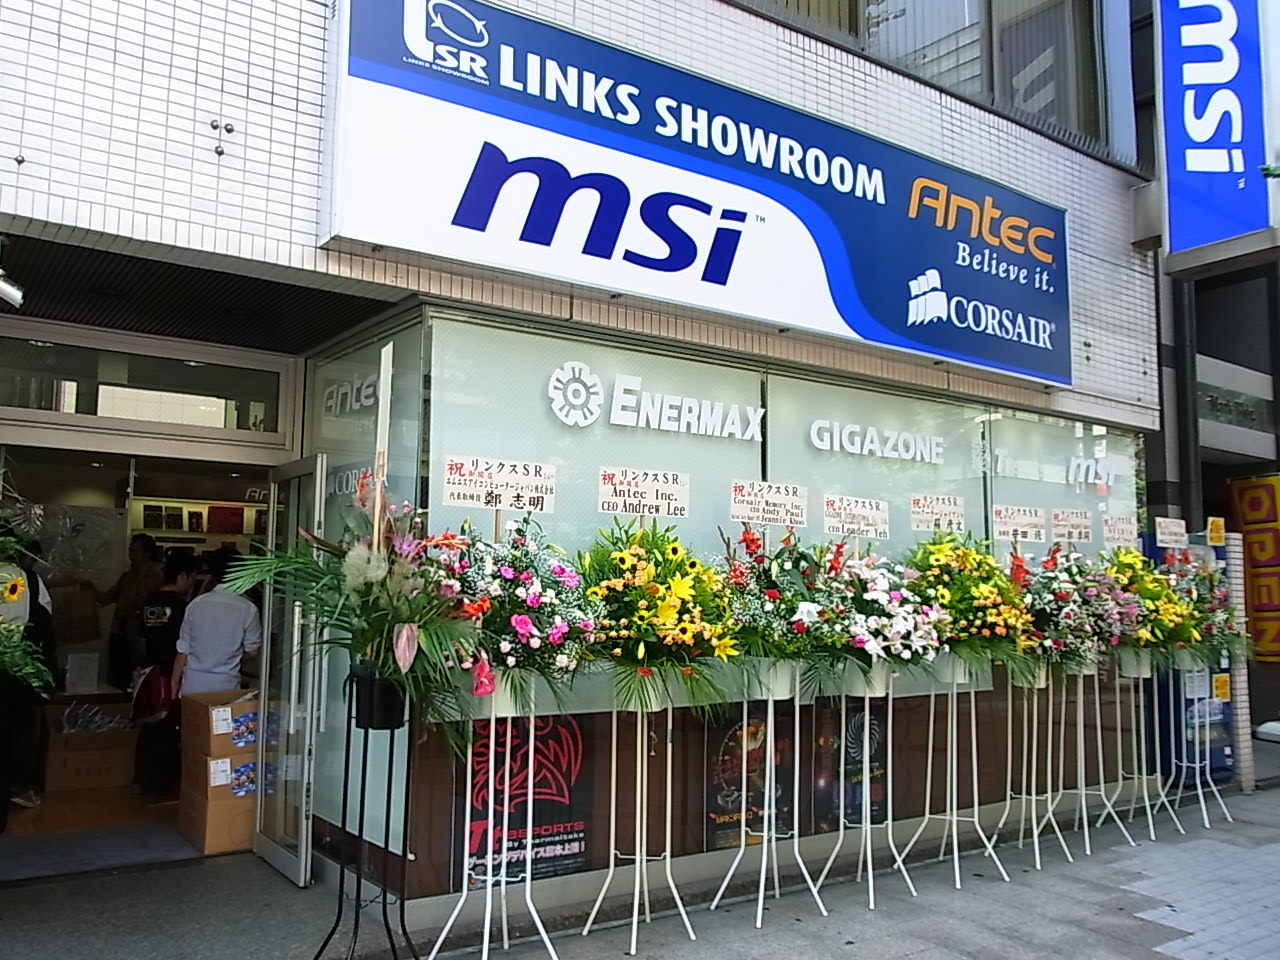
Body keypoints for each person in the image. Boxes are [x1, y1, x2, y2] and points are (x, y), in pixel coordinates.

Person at [133, 553, 197, 798]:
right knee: (167, 727)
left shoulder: (148, 601)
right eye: (191, 578)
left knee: (149, 723)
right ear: (181, 576)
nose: (191, 584)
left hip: (149, 671)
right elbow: (186, 646)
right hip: (171, 671)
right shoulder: (183, 607)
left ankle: (142, 778)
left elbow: (141, 639)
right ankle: (158, 784)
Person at [172, 549, 262, 697]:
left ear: (212, 575)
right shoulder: (248, 609)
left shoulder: (195, 605)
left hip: (193, 684)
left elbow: (183, 651)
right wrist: (231, 654)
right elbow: (253, 651)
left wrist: (174, 684)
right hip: (226, 685)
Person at [8, 541, 56, 810]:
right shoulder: (32, 583)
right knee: (23, 726)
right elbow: (46, 629)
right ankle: (20, 785)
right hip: (24, 667)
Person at [93, 533, 163, 691]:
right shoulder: (127, 576)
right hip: (120, 631)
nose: (131, 554)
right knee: (118, 677)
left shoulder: (155, 576)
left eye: (135, 551)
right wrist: (89, 588)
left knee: (137, 676)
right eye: (130, 550)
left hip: (139, 634)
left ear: (147, 553)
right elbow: (107, 597)